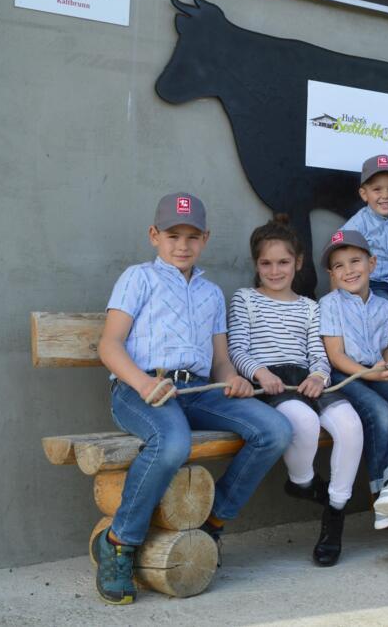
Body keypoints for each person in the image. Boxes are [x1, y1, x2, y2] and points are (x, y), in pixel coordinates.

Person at [95, 192, 293, 605]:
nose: (182, 245)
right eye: (172, 235)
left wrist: (232, 380)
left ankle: (213, 521)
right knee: (172, 441)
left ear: (205, 238)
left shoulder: (211, 294)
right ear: (154, 235)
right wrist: (145, 385)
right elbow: (110, 345)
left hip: (197, 390)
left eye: (192, 236)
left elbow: (220, 363)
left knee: (274, 429)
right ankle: (120, 542)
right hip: (140, 390)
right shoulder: (138, 278)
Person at [228, 217, 365, 567]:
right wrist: (260, 372)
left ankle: (335, 514)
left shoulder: (308, 306)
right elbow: (238, 349)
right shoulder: (245, 300)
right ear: (256, 265)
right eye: (266, 263)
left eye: (283, 262)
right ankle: (302, 482)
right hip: (270, 383)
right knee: (303, 421)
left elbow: (318, 353)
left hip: (306, 378)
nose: (275, 271)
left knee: (350, 425)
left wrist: (320, 375)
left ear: (298, 263)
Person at [318, 228, 388, 529]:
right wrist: (370, 372)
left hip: (377, 371)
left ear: (372, 263)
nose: (348, 271)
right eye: (339, 266)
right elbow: (336, 356)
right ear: (332, 274)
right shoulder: (330, 304)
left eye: (355, 261)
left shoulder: (385, 305)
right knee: (380, 412)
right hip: (347, 376)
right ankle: (381, 494)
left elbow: (387, 348)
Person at [342, 154, 388, 303]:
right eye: (377, 189)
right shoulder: (357, 225)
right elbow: (339, 256)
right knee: (385, 304)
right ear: (364, 194)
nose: (385, 195)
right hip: (371, 285)